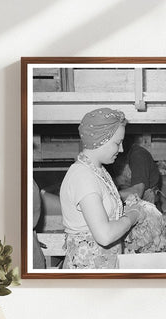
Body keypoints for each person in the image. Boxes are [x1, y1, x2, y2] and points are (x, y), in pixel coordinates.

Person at [59, 108, 144, 269]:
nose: (121, 150)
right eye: (117, 143)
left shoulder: (98, 171)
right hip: (87, 272)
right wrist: (133, 215)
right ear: (101, 139)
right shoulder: (83, 176)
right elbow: (104, 235)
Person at [116, 136, 161, 206]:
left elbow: (137, 192)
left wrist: (111, 195)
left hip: (146, 207)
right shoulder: (112, 156)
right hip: (124, 203)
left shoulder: (139, 155)